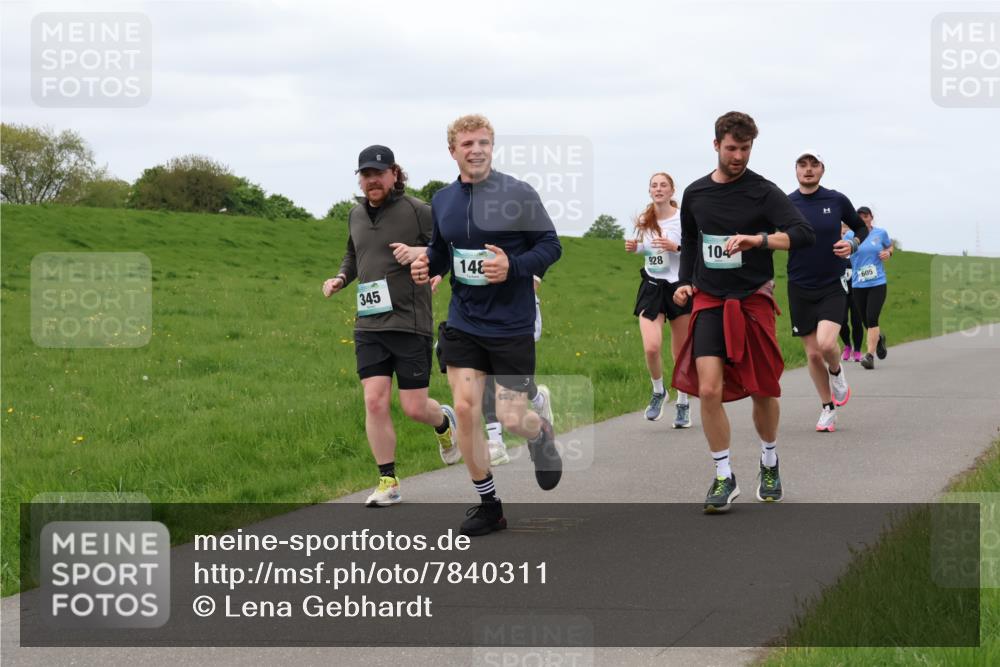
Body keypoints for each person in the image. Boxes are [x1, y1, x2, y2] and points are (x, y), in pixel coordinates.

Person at [410, 114, 562, 536]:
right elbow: (442, 250)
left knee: (513, 418)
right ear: (452, 151)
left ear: (492, 147)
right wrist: (428, 264)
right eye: (466, 144)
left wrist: (513, 265)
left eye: (482, 143)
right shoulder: (442, 200)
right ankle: (489, 504)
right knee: (465, 408)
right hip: (464, 320)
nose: (475, 150)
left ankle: (539, 431)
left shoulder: (518, 193)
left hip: (511, 323)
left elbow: (550, 246)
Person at [671, 111, 815, 512]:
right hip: (710, 300)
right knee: (709, 388)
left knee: (763, 387)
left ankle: (769, 462)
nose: (738, 156)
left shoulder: (764, 192)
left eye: (745, 148)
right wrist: (685, 280)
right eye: (732, 148)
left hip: (752, 301)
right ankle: (723, 476)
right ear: (716, 145)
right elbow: (690, 239)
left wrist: (760, 240)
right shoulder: (696, 193)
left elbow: (804, 233)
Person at [322, 145, 458, 507]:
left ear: (394, 174)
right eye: (365, 175)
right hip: (369, 324)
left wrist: (431, 265)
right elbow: (354, 253)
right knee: (374, 400)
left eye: (378, 174)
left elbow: (446, 245)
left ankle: (443, 421)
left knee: (414, 407)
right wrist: (340, 277)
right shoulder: (355, 214)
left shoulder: (418, 211)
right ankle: (388, 480)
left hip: (410, 321)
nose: (372, 181)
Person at [786, 151, 869, 433]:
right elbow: (770, 234)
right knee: (811, 355)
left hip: (832, 283)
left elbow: (859, 226)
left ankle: (836, 371)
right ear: (796, 170)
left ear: (822, 170)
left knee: (825, 345)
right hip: (799, 285)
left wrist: (853, 244)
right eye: (803, 165)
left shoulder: (835, 199)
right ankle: (827, 409)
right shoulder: (787, 203)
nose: (808, 170)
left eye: (814, 165)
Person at [624, 172, 693, 428]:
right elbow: (650, 249)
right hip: (652, 286)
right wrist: (637, 248)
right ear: (650, 190)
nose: (659, 189)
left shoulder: (683, 218)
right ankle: (658, 391)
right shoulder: (646, 218)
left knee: (680, 352)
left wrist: (675, 248)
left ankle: (683, 401)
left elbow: (693, 251)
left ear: (672, 190)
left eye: (663, 185)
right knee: (651, 347)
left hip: (678, 287)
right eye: (654, 185)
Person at [485, 275, 552, 466]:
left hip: (517, 314)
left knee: (510, 377)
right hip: (479, 312)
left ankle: (538, 397)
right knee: (486, 373)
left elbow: (535, 277)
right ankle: (496, 442)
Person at [844, 206, 893, 369]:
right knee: (866, 321)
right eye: (860, 216)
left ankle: (869, 356)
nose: (863, 218)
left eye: (866, 216)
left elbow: (889, 246)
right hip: (858, 284)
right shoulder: (850, 235)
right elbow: (842, 250)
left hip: (877, 282)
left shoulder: (880, 233)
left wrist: (889, 253)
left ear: (871, 217)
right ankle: (879, 339)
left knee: (872, 318)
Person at [839, 223, 864, 363]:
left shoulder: (857, 251)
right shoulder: (835, 250)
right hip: (840, 291)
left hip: (856, 289)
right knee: (841, 321)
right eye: (842, 233)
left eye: (847, 233)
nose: (845, 236)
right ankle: (847, 345)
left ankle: (858, 350)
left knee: (856, 321)